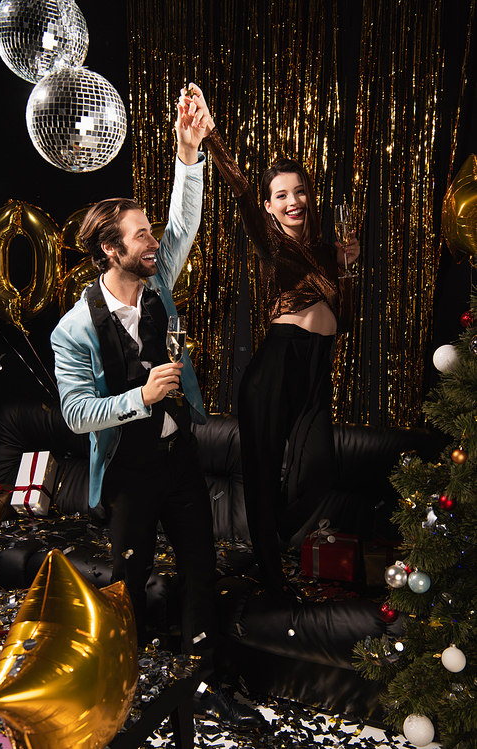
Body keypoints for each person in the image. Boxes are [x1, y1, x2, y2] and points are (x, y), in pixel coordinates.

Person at [51, 89, 265, 731]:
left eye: (149, 233)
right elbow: (75, 414)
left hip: (179, 459)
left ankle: (208, 687)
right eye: (140, 236)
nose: (155, 243)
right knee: (128, 583)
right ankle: (125, 692)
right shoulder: (74, 330)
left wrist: (188, 150)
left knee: (203, 576)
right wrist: (139, 399)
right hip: (128, 477)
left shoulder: (158, 284)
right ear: (111, 251)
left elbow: (184, 222)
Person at [178, 83, 360, 595]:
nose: (293, 200)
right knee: (261, 477)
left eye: (299, 191)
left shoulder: (328, 252)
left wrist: (345, 270)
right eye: (281, 194)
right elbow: (237, 187)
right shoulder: (268, 239)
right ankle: (272, 576)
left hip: (316, 368)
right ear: (269, 205)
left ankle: (266, 543)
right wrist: (210, 136)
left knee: (318, 472)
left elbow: (341, 316)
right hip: (274, 369)